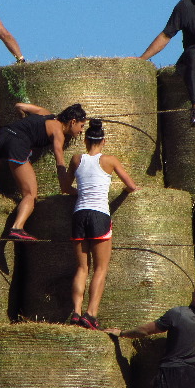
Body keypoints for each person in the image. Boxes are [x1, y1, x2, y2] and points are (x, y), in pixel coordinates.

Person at [0, 103, 86, 241]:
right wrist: (65, 184)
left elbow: (19, 106)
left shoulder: (44, 113)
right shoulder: (58, 133)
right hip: (16, 144)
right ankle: (17, 228)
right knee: (30, 194)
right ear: (73, 122)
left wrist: (23, 120)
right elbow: (59, 161)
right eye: (81, 126)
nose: (81, 131)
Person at [65, 118, 138, 330]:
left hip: (79, 214)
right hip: (99, 215)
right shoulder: (110, 160)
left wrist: (81, 192)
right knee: (100, 268)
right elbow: (131, 186)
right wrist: (125, 191)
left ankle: (76, 312)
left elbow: (65, 187)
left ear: (85, 141)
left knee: (82, 267)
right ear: (103, 141)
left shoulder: (76, 159)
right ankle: (91, 314)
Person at [106, 283, 195, 388]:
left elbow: (145, 331)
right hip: (192, 376)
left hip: (171, 373)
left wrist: (122, 333)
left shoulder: (178, 314)